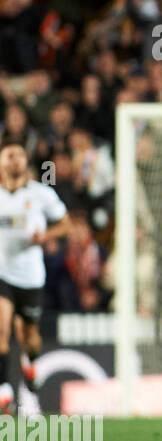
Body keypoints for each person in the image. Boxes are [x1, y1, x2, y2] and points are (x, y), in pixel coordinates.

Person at [0, 141, 70, 415]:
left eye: (19, 155)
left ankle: (30, 363)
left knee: (29, 335)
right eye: (9, 155)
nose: (15, 159)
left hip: (30, 277)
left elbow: (65, 224)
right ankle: (5, 393)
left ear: (26, 161)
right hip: (2, 273)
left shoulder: (41, 194)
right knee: (2, 329)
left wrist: (46, 237)